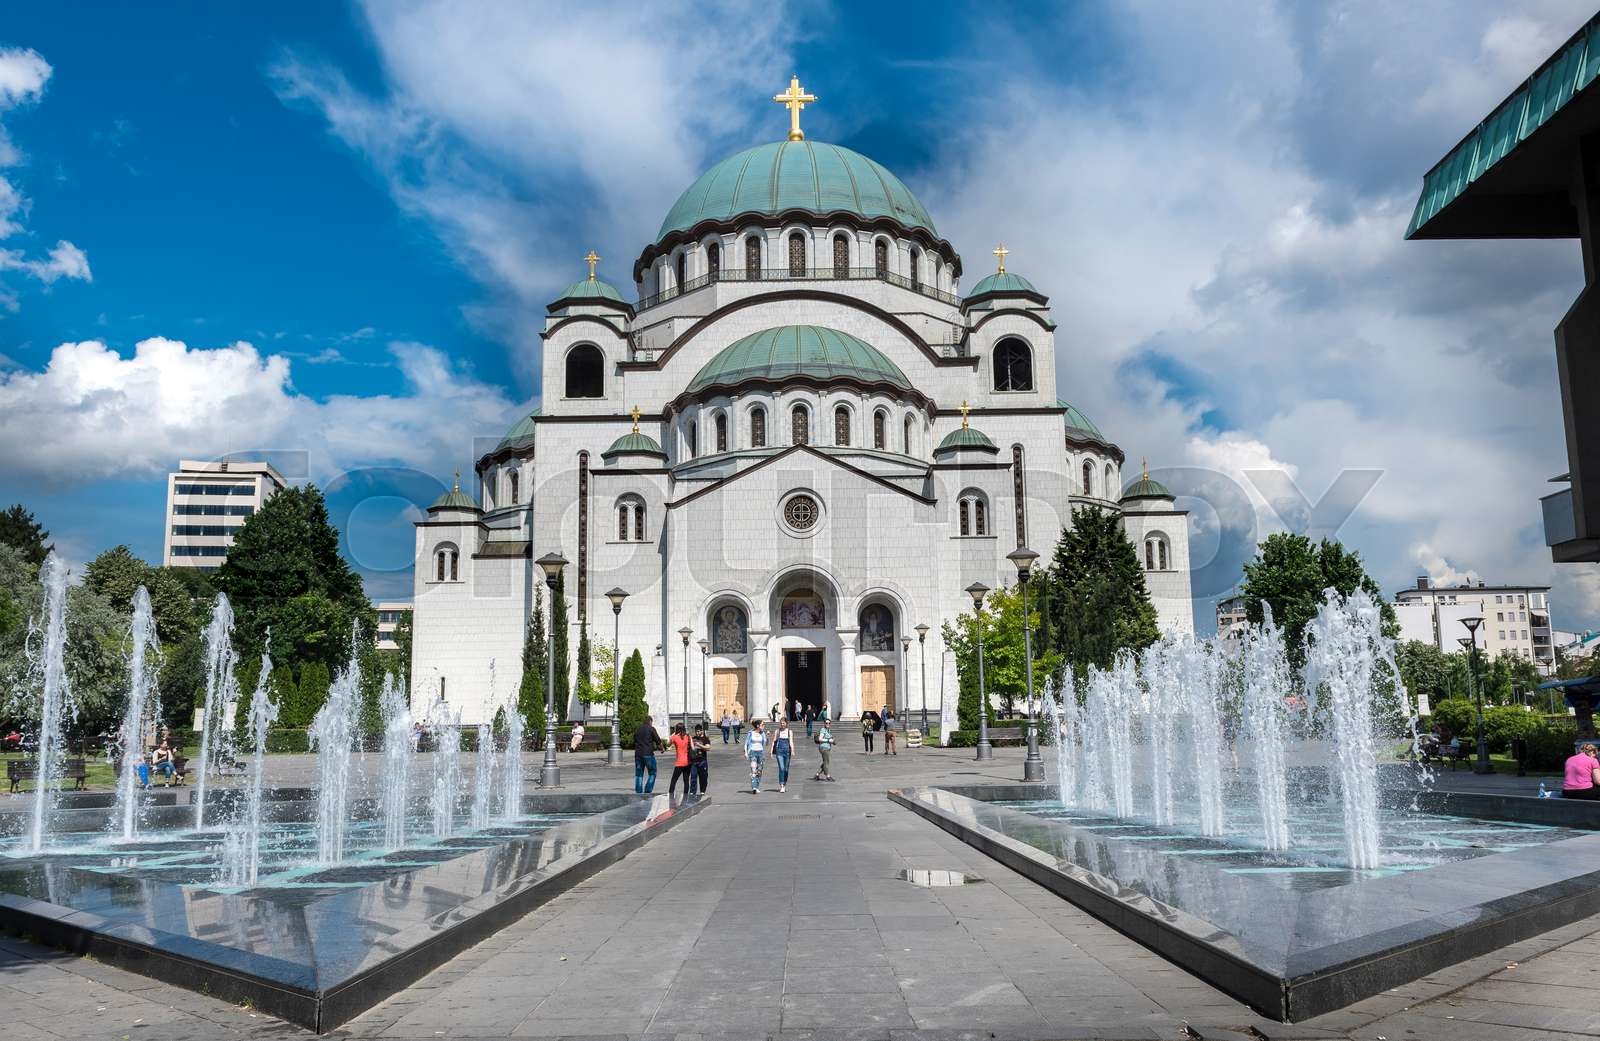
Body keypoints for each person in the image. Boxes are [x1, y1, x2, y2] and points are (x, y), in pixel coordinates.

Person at [633, 715, 662, 794]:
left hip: (638, 754)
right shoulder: (651, 729)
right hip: (648, 754)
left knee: (639, 774)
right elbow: (658, 740)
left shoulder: (638, 729)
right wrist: (662, 748)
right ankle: (648, 790)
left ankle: (638, 792)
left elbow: (634, 740)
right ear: (650, 721)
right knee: (652, 772)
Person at [668, 724, 694, 798]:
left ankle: (670, 796)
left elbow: (668, 745)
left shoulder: (675, 737)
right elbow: (693, 748)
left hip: (679, 763)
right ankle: (685, 797)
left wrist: (672, 735)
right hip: (688, 762)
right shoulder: (688, 736)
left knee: (674, 780)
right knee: (686, 781)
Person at [770, 718, 793, 793]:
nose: (782, 724)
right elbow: (774, 741)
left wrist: (792, 750)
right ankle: (782, 785)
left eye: (783, 723)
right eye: (781, 723)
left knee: (786, 769)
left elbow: (791, 741)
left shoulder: (789, 732)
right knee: (782, 768)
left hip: (787, 752)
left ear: (786, 723)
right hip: (779, 751)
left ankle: (784, 782)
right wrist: (771, 751)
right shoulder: (777, 731)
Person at [744, 719, 767, 793]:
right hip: (752, 752)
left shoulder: (763, 733)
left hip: (760, 753)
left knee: (759, 771)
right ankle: (754, 787)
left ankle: (757, 786)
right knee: (753, 769)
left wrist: (767, 736)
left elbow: (766, 743)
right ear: (758, 726)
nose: (764, 726)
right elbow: (746, 743)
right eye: (762, 725)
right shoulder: (751, 733)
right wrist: (746, 753)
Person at [689, 724, 711, 794]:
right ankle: (692, 793)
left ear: (702, 731)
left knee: (703, 778)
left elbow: (708, 748)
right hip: (694, 761)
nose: (697, 733)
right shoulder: (693, 738)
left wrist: (699, 745)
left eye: (698, 731)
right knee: (693, 778)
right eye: (696, 731)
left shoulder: (705, 739)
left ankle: (702, 791)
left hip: (702, 761)